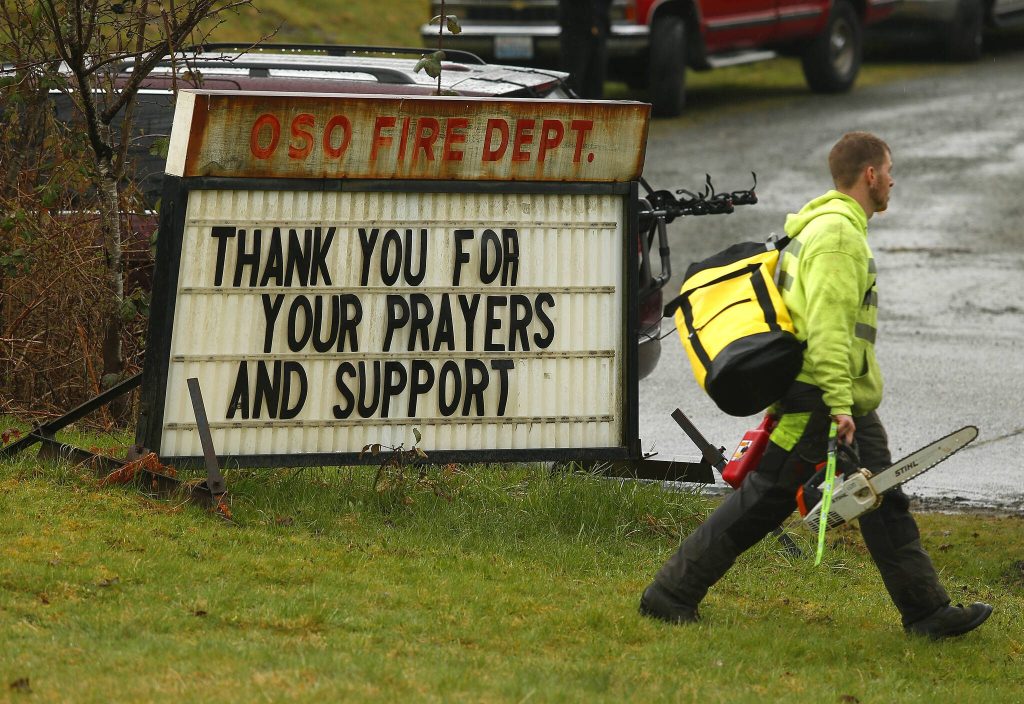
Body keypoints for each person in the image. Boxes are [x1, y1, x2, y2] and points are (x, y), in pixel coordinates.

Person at [639, 131, 994, 639]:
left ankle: (927, 613)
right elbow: (827, 329)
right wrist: (839, 404)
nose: (893, 180)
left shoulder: (828, 227)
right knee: (764, 499)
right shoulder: (838, 237)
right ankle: (671, 593)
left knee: (882, 498)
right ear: (870, 175)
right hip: (822, 399)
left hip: (833, 396)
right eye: (889, 170)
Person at [558, 0, 613, 99]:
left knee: (595, 80)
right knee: (573, 82)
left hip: (597, 27)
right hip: (575, 28)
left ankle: (593, 111)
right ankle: (574, 110)